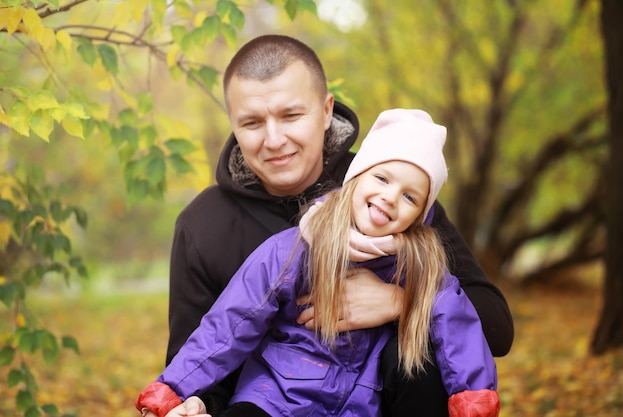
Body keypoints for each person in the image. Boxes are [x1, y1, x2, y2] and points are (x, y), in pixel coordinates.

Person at [157, 34, 513, 416]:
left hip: (378, 401)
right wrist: (190, 404)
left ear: (326, 111)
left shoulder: (392, 186)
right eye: (252, 123)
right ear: (234, 125)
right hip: (269, 402)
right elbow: (198, 362)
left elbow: (495, 327)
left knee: (420, 351)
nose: (274, 139)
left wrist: (401, 302)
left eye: (291, 115)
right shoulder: (202, 226)